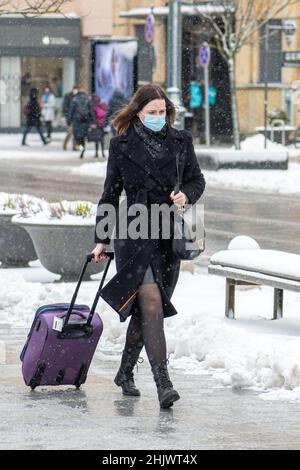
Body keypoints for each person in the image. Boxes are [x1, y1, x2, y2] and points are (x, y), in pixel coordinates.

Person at [92, 84, 206, 409]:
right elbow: (110, 194)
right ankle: (163, 383)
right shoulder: (121, 145)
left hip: (168, 234)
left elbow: (197, 180)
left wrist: (186, 195)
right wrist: (101, 237)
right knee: (151, 302)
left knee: (146, 311)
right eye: (151, 112)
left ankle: (125, 371)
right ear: (138, 113)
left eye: (162, 112)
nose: (158, 117)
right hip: (134, 231)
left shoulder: (182, 142)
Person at [69, 88, 95, 159]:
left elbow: (71, 111)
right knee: (83, 136)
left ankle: (80, 146)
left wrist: (69, 120)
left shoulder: (74, 100)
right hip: (85, 121)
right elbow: (91, 112)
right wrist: (93, 121)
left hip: (76, 121)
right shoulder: (88, 100)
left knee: (77, 136)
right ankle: (83, 148)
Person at [62, 85, 79, 151]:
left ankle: (74, 146)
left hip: (76, 117)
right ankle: (65, 144)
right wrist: (65, 114)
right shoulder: (68, 96)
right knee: (70, 132)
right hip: (69, 116)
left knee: (75, 132)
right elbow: (65, 106)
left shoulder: (78, 96)